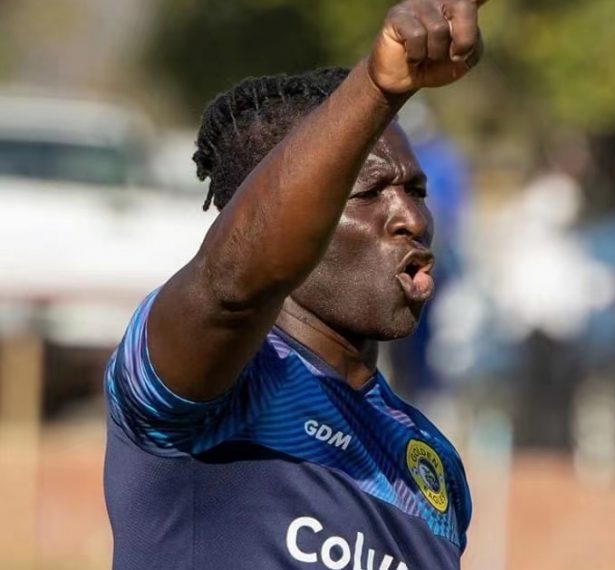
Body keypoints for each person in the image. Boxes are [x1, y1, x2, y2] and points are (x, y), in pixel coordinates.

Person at [102, 1, 486, 568]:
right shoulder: (210, 384)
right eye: (368, 193)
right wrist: (378, 87)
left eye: (418, 191)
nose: (412, 217)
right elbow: (234, 284)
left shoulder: (431, 466)